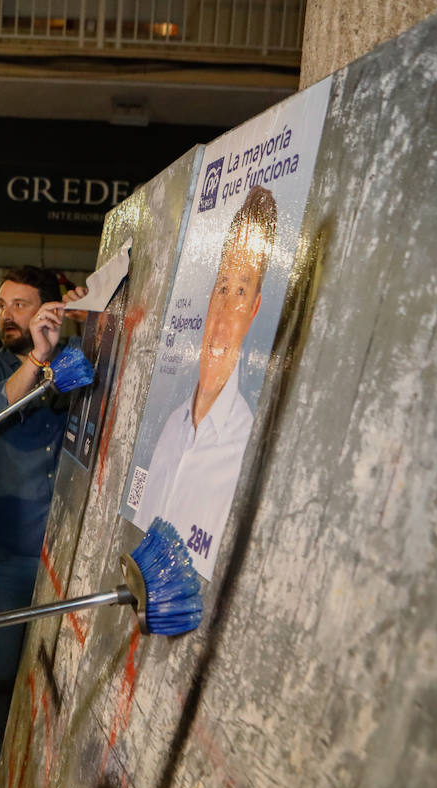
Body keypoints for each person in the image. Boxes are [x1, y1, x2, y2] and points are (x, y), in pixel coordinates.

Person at [0, 266, 87, 788]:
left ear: (48, 310)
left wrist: (92, 324)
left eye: (22, 304)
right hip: (11, 548)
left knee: (67, 677)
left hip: (76, 548)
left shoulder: (77, 358)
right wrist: (35, 359)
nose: (7, 313)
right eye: (2, 304)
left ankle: (49, 786)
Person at [132, 186, 278, 554]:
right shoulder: (170, 429)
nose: (222, 316)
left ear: (256, 307)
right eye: (221, 288)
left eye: (240, 293)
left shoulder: (246, 447)